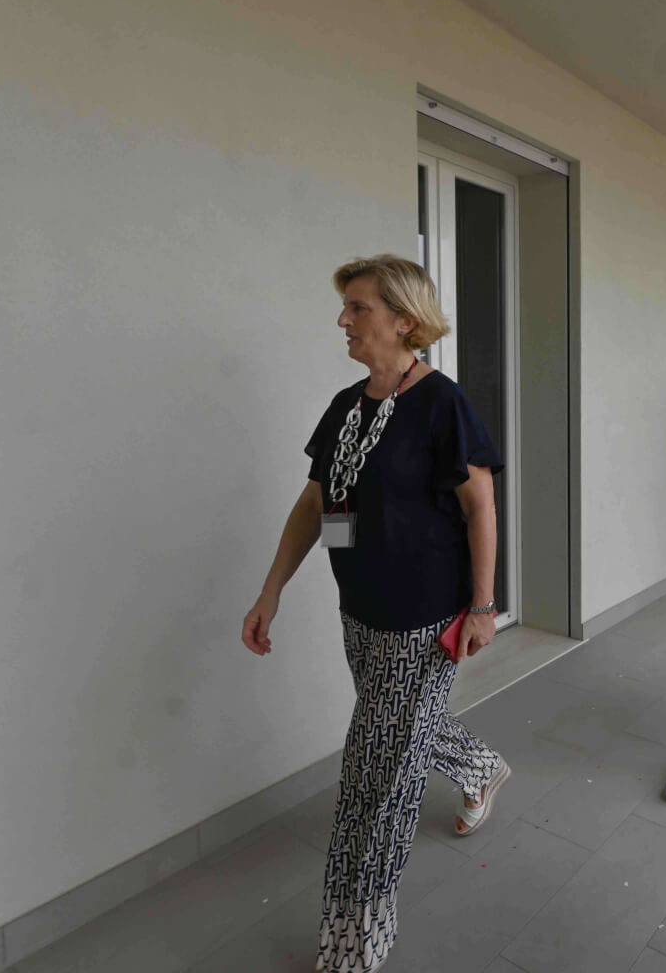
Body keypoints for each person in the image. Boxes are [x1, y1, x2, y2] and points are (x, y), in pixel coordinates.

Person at [241, 255, 510, 972]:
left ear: (403, 320)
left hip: (423, 621)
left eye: (357, 307)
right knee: (396, 733)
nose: (343, 320)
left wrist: (483, 605)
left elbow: (480, 505)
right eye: (346, 307)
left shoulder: (442, 403)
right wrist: (271, 591)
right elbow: (316, 504)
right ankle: (481, 767)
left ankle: (355, 942)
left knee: (375, 782)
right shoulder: (345, 406)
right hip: (359, 611)